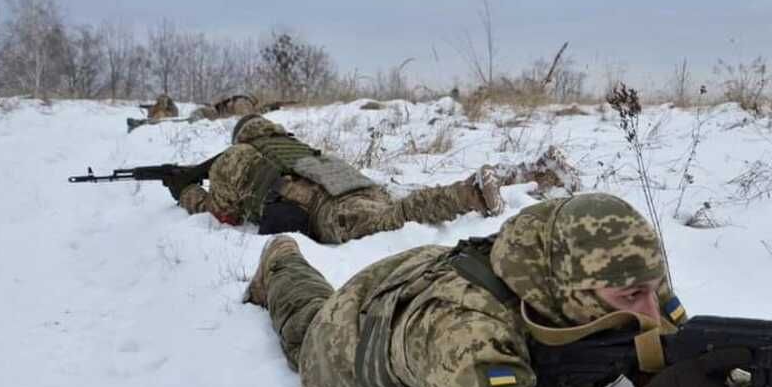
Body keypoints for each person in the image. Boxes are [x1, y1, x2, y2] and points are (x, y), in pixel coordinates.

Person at [243, 193, 760, 387]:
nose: (653, 310)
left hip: (438, 273)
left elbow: (674, 350)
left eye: (656, 288)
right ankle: (282, 259)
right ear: (572, 294)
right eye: (632, 300)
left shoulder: (623, 279)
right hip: (355, 327)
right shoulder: (466, 337)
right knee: (305, 318)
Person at [166, 114, 578, 244]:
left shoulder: (234, 159)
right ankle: (529, 173)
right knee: (408, 203)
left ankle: (474, 192)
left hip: (331, 210)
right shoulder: (289, 145)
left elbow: (224, 216)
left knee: (401, 216)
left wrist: (187, 193)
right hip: (354, 187)